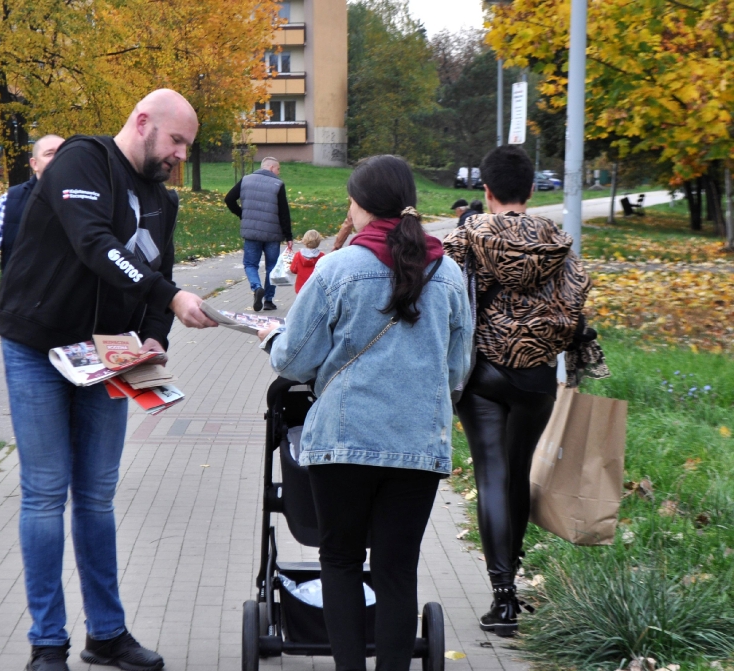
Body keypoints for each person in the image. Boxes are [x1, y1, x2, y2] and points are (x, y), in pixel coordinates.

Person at [0, 89, 217, 671]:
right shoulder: (82, 161)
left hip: (107, 355)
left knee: (96, 496)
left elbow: (159, 267)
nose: (181, 156)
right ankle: (47, 645)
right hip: (38, 345)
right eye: (176, 141)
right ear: (142, 122)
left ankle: (107, 635)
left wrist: (156, 335)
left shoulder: (162, 199)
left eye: (187, 146)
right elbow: (97, 245)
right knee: (46, 493)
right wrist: (170, 295)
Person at [258, 155, 473, 671]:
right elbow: (457, 371)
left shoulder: (337, 269)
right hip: (418, 445)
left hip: (342, 443)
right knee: (398, 571)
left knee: (340, 561)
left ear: (362, 205)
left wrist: (271, 339)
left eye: (351, 203)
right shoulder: (448, 273)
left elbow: (294, 359)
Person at [443, 145, 593, 637]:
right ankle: (513, 583)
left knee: (491, 473)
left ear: (486, 191)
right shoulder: (559, 241)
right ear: (530, 189)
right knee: (518, 474)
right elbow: (576, 304)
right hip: (536, 377)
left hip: (483, 373)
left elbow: (444, 295)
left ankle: (503, 597)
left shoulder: (467, 235)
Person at [0, 134, 65, 325]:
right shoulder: (9, 203)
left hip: (71, 321)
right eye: (49, 154)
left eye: (63, 154)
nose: (57, 159)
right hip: (20, 318)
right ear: (34, 164)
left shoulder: (88, 202)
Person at [224, 156, 293, 311]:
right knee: (272, 267)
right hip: (273, 234)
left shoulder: (246, 180)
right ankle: (268, 301)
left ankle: (256, 287)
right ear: (271, 168)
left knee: (250, 264)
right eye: (278, 169)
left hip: (251, 232)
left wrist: (242, 214)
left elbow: (229, 199)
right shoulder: (278, 184)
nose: (279, 172)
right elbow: (284, 212)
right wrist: (288, 235)